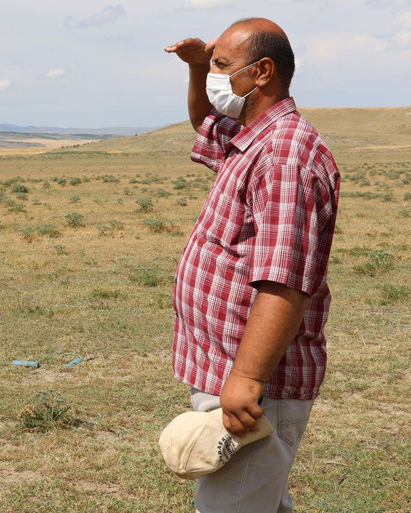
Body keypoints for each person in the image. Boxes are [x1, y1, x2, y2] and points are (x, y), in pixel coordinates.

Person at [164, 18, 340, 513]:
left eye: (223, 66)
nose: (216, 77)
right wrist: (200, 69)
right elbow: (205, 122)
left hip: (257, 383)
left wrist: (246, 378)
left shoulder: (285, 154)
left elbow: (284, 282)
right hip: (235, 371)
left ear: (261, 71)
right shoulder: (252, 137)